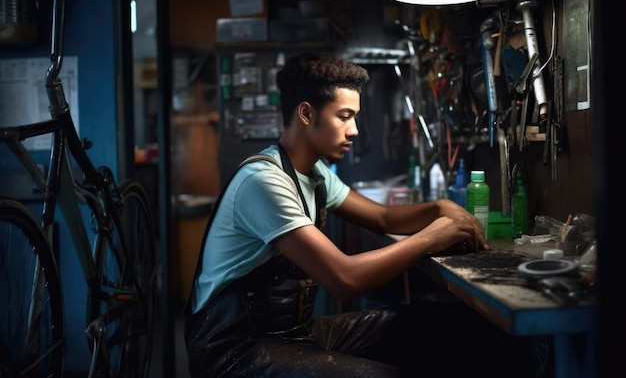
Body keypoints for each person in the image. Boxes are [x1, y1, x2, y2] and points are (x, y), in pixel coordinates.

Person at [184, 51, 536, 378]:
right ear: (307, 113)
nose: (353, 130)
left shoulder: (315, 175)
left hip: (292, 335)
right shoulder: (263, 181)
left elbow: (383, 219)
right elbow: (345, 279)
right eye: (344, 116)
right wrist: (432, 235)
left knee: (446, 325)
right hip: (235, 352)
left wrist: (439, 208)